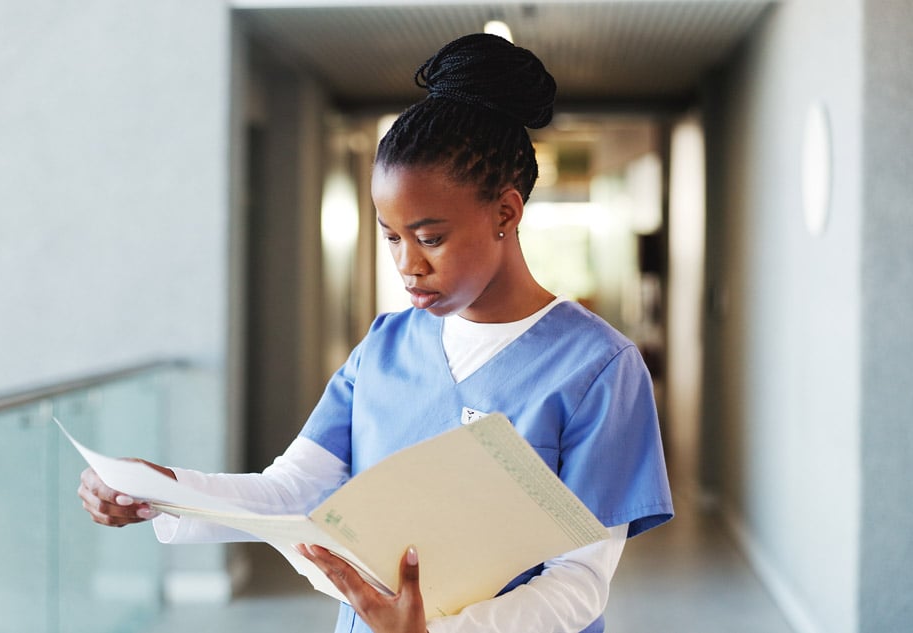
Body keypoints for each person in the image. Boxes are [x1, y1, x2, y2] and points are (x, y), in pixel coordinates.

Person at [79, 33, 673, 633]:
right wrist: (158, 490)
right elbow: (292, 492)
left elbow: (579, 583)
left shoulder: (599, 368)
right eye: (392, 236)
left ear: (506, 212)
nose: (407, 264)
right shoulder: (386, 347)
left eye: (431, 237)